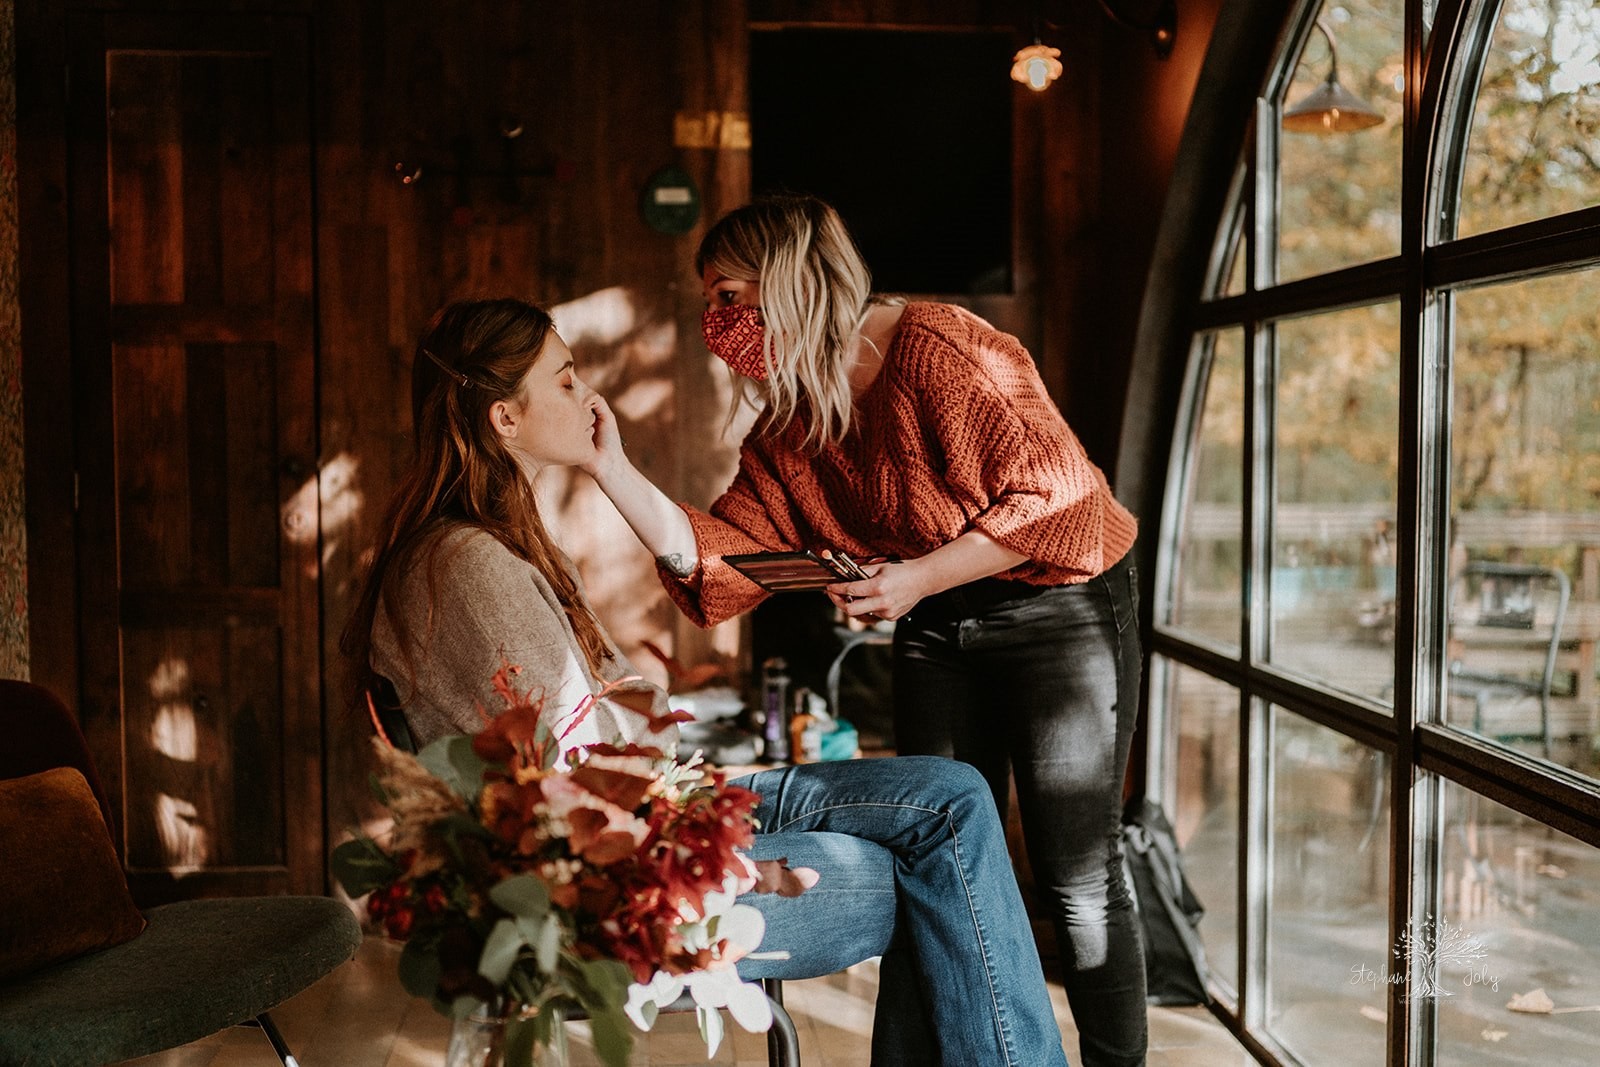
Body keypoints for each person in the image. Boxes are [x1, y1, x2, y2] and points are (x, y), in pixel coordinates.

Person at [341, 297, 1070, 1067]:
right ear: (504, 420)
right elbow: (577, 766)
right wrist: (724, 843)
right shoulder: (471, 565)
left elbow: (618, 707)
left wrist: (668, 740)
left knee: (954, 796)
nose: (589, 397)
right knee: (941, 868)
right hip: (629, 864)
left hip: (672, 802)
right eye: (564, 380)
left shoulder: (496, 542)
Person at [586, 194, 1147, 1066]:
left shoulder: (939, 349)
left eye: (731, 295)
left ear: (789, 281)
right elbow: (720, 561)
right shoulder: (788, 426)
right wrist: (608, 466)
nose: (717, 322)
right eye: (709, 301)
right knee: (936, 865)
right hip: (937, 621)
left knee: (1077, 880)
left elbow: (1060, 500)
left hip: (1058, 605)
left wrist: (916, 576)